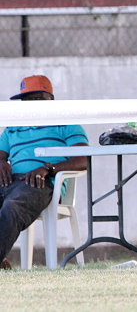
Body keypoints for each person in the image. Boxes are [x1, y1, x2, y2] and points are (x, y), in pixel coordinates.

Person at [0, 75, 88, 270]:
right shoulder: (13, 128)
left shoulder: (66, 123)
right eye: (26, 100)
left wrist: (49, 169)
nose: (30, 104)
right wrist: (1, 163)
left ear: (50, 99)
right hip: (9, 181)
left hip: (41, 183)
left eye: (36, 98)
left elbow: (83, 160)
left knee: (11, 206)